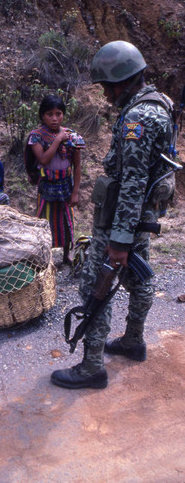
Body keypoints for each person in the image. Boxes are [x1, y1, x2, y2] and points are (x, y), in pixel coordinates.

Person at [51, 40, 176, 389]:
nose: (105, 95)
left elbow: (134, 180)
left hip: (123, 219)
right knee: (140, 279)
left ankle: (92, 368)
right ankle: (133, 341)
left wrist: (118, 240)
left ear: (121, 81)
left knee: (96, 286)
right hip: (141, 215)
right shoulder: (159, 103)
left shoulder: (137, 117)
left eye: (106, 86)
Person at [26, 94, 84, 264]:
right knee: (46, 220)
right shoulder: (36, 136)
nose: (54, 118)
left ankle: (66, 255)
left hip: (66, 184)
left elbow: (77, 166)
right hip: (47, 185)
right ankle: (47, 258)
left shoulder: (73, 137)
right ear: (42, 115)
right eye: (49, 114)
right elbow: (44, 159)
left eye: (58, 114)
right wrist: (58, 140)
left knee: (66, 220)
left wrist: (75, 192)